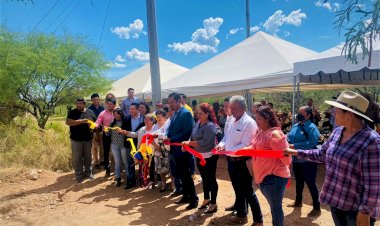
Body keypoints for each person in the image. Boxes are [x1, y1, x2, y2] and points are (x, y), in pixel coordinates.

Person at [284, 91, 380, 226]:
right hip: (336, 202)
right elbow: (321, 154)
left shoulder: (371, 141)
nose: (333, 113)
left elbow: (374, 183)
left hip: (355, 209)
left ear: (349, 114)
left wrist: (365, 211)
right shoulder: (337, 132)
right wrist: (295, 152)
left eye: (337, 110)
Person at [216, 95, 263, 225]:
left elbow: (246, 144)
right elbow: (226, 138)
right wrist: (221, 146)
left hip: (243, 162)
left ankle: (258, 220)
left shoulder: (249, 123)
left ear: (242, 108)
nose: (231, 110)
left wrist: (229, 150)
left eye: (234, 108)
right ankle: (242, 214)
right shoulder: (231, 120)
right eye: (230, 108)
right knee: (237, 189)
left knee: (248, 191)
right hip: (231, 161)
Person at [249, 105, 291, 226]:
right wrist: (236, 150)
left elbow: (287, 160)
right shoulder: (260, 131)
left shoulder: (274, 134)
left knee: (276, 208)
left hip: (274, 177)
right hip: (264, 177)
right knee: (274, 207)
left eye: (259, 120)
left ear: (267, 119)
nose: (257, 123)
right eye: (256, 119)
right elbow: (254, 148)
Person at [182, 103, 219, 214]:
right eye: (198, 114)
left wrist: (190, 143)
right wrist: (188, 145)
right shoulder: (198, 123)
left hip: (209, 157)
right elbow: (192, 135)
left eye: (201, 114)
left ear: (207, 114)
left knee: (211, 179)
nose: (199, 116)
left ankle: (213, 202)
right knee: (204, 178)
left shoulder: (210, 126)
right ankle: (206, 199)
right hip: (199, 156)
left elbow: (206, 143)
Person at [287, 106, 321, 217]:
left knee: (310, 183)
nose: (299, 115)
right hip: (296, 159)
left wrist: (295, 146)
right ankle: (298, 201)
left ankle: (317, 207)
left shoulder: (312, 128)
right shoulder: (295, 126)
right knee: (299, 181)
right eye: (298, 112)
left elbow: (312, 143)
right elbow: (289, 137)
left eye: (302, 113)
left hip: (308, 160)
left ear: (308, 115)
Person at [166, 92, 198, 210]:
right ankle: (185, 196)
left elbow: (187, 132)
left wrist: (171, 138)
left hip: (183, 150)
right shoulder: (175, 114)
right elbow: (171, 130)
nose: (170, 105)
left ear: (179, 100)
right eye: (169, 103)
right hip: (175, 149)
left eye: (172, 102)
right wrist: (165, 136)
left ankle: (193, 199)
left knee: (186, 175)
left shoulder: (185, 114)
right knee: (181, 175)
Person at [66, 98, 96, 183]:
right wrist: (81, 121)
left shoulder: (90, 112)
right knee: (77, 157)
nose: (78, 105)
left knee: (88, 157)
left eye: (80, 103)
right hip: (76, 139)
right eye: (77, 103)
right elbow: (68, 122)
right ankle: (78, 175)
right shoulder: (72, 112)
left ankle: (89, 173)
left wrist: (94, 130)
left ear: (84, 104)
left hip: (88, 139)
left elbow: (95, 123)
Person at [124, 114, 157, 188]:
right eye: (145, 119)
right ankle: (142, 182)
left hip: (153, 151)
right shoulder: (142, 129)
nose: (145, 121)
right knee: (141, 167)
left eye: (147, 120)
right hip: (142, 151)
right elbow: (135, 134)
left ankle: (152, 182)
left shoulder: (156, 129)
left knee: (151, 167)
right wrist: (127, 132)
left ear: (152, 121)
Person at [121, 103, 145, 189]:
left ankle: (142, 181)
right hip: (129, 144)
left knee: (141, 162)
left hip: (140, 144)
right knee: (129, 163)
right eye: (130, 109)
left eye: (133, 109)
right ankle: (131, 182)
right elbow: (123, 128)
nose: (130, 110)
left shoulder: (143, 118)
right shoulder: (126, 118)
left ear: (138, 110)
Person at [106, 108, 127, 187]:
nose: (115, 116)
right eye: (114, 114)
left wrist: (121, 131)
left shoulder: (125, 122)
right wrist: (106, 131)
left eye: (117, 114)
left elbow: (127, 134)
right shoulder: (112, 123)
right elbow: (108, 134)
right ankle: (118, 178)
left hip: (123, 145)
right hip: (114, 145)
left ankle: (128, 178)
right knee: (117, 162)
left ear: (121, 114)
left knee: (125, 162)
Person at [95, 98, 116, 177]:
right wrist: (96, 125)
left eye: (111, 104)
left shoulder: (117, 112)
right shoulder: (103, 113)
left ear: (114, 105)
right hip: (106, 135)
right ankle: (107, 170)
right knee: (106, 152)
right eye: (108, 104)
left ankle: (116, 168)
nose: (109, 105)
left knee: (116, 151)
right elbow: (98, 121)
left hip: (116, 135)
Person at [152, 109, 171, 192]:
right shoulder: (154, 126)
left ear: (164, 117)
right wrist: (156, 146)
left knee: (170, 167)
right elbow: (150, 138)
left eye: (160, 117)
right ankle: (164, 184)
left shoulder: (168, 124)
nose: (158, 119)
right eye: (157, 117)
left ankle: (173, 184)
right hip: (158, 150)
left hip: (167, 149)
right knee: (160, 169)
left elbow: (169, 136)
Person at [88, 93, 105, 169]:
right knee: (94, 147)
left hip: (101, 130)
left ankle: (102, 160)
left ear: (99, 99)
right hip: (93, 131)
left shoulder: (103, 108)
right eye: (94, 100)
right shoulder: (89, 109)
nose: (96, 101)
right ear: (92, 100)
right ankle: (96, 162)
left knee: (102, 146)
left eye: (97, 99)